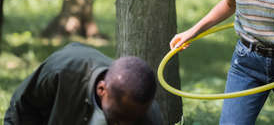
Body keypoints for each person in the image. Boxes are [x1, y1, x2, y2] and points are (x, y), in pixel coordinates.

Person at [4, 42, 163, 125]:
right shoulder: (63, 71)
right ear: (102, 90)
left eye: (134, 120)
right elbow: (22, 108)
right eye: (120, 117)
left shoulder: (150, 116)